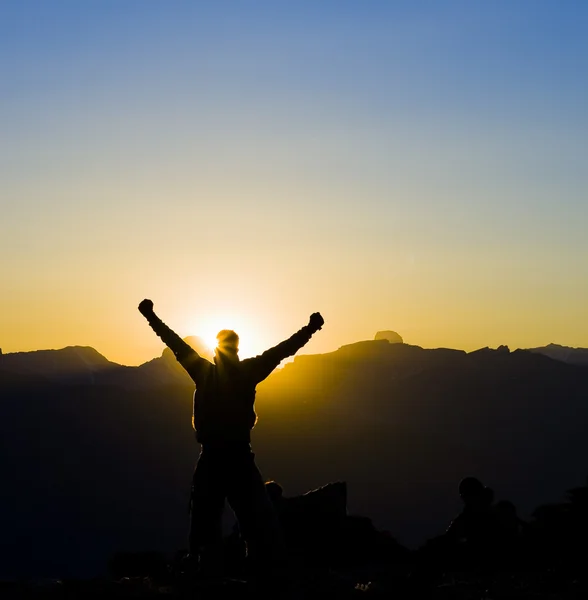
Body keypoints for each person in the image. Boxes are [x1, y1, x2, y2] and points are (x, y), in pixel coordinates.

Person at [138, 299, 324, 577]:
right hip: (238, 457)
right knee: (255, 521)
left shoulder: (204, 372)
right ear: (237, 350)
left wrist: (150, 316)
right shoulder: (248, 372)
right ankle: (258, 574)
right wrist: (310, 329)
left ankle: (204, 573)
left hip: (213, 457)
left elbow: (175, 343)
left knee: (204, 521)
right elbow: (284, 350)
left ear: (216, 351)